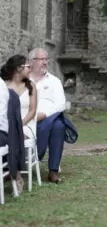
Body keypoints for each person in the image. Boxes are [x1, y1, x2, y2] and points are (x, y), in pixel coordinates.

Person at [29, 48, 77, 184]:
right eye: (42, 59)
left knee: (58, 126)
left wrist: (45, 115)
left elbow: (61, 104)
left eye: (46, 59)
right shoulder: (24, 80)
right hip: (27, 118)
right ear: (32, 62)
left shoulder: (54, 81)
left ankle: (53, 170)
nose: (45, 62)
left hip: (49, 116)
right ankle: (18, 163)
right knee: (58, 125)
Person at [1, 55, 37, 140]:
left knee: (18, 138)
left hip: (26, 124)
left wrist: (19, 125)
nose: (30, 70)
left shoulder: (31, 85)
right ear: (18, 68)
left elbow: (32, 111)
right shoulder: (4, 86)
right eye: (28, 67)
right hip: (7, 124)